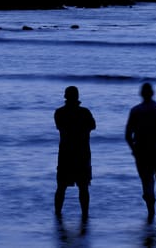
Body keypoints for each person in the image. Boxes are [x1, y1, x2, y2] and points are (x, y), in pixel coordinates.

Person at [125, 82, 156, 219]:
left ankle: (151, 213)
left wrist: (134, 150)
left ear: (141, 94)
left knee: (147, 182)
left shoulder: (135, 111)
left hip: (142, 151)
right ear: (153, 93)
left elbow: (128, 135)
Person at [54, 85, 96, 219]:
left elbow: (60, 128)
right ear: (78, 97)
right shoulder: (85, 112)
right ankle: (85, 215)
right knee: (83, 187)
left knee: (61, 186)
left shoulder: (59, 112)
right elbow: (92, 126)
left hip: (66, 153)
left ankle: (58, 214)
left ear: (65, 96)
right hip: (82, 153)